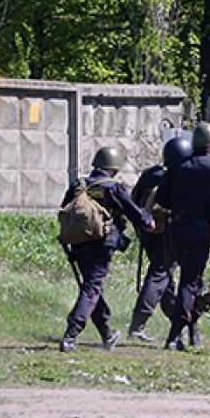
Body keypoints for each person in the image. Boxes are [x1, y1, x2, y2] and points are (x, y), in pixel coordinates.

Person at [58, 146, 154, 351]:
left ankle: (106, 332)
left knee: (92, 287)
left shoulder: (79, 184)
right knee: (92, 288)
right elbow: (134, 212)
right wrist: (149, 221)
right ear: (114, 167)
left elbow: (64, 209)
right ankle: (71, 334)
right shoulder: (113, 188)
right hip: (102, 245)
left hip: (77, 243)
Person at [157, 122, 210, 351]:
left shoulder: (178, 166)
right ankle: (174, 335)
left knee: (193, 281)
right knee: (190, 283)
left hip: (176, 230)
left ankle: (193, 332)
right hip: (200, 231)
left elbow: (162, 199)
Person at [127, 135, 191, 342]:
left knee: (164, 278)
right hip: (167, 235)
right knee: (159, 275)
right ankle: (137, 326)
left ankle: (177, 322)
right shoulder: (178, 177)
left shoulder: (149, 174)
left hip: (148, 233)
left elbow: (134, 201)